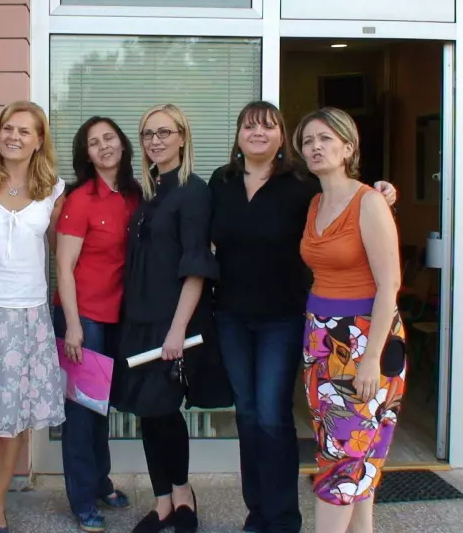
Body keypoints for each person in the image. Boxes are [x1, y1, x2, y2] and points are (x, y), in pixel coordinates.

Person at [209, 100, 396, 533]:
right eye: (249, 126)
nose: (258, 133)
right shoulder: (221, 182)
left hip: (284, 317)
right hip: (232, 315)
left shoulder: (301, 185)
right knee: (247, 414)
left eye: (268, 126)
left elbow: (350, 201)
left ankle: (281, 519)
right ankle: (257, 513)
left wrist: (386, 193)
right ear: (237, 135)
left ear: (281, 137)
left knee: (271, 414)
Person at [114, 104, 228, 533]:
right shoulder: (147, 192)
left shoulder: (193, 191)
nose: (155, 141)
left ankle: (182, 493)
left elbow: (196, 266)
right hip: (138, 320)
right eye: (148, 134)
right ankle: (162, 502)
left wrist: (177, 330)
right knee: (148, 412)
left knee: (164, 408)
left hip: (175, 322)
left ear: (182, 136)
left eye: (164, 132)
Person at [295, 107, 406, 533]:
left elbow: (389, 285)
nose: (315, 147)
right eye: (308, 141)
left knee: (343, 458)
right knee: (352, 456)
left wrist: (371, 359)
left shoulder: (369, 202)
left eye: (325, 138)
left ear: (347, 147)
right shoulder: (315, 203)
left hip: (362, 340)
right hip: (322, 339)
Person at [0, 100, 66, 533]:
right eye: (8, 128)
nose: (14, 136)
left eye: (24, 130)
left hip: (29, 313)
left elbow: (61, 254)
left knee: (16, 417)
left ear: (39, 140)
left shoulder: (53, 190)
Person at [53, 116, 142, 532]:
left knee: (102, 407)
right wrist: (73, 324)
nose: (103, 146)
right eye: (93, 142)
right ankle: (82, 498)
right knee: (82, 412)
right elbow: (63, 266)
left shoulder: (135, 195)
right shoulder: (80, 199)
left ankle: (101, 481)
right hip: (84, 316)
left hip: (120, 316)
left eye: (109, 138)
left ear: (122, 144)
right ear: (86, 154)